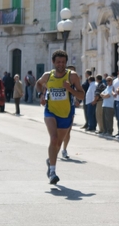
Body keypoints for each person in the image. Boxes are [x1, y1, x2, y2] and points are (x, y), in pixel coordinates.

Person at [35, 50, 84, 184]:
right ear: (53, 62)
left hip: (66, 114)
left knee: (58, 144)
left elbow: (82, 95)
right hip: (50, 111)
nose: (61, 65)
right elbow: (38, 84)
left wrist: (70, 89)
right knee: (53, 138)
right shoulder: (47, 76)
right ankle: (52, 172)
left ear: (66, 63)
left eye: (63, 62)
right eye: (58, 62)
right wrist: (41, 95)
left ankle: (50, 160)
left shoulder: (72, 76)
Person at [61, 65, 79, 159]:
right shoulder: (61, 81)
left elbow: (79, 92)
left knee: (68, 130)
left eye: (73, 72)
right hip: (59, 107)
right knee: (58, 131)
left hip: (71, 107)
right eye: (70, 72)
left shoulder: (75, 83)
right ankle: (55, 147)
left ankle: (64, 149)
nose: (72, 74)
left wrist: (77, 100)